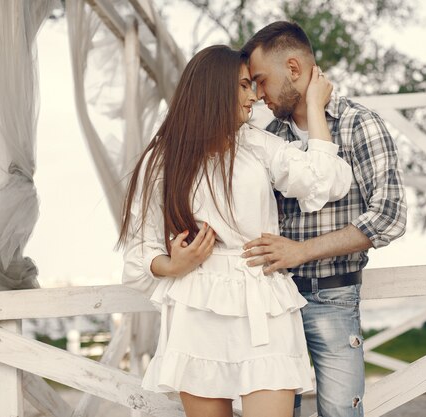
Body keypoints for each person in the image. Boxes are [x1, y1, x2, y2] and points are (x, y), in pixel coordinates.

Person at [118, 45, 353, 417]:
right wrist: (174, 265)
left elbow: (326, 180)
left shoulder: (257, 144)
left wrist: (314, 108)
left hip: (263, 298)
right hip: (197, 304)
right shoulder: (162, 159)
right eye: (245, 85)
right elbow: (138, 251)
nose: (255, 95)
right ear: (214, 89)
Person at [241, 22, 407, 417]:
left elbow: (389, 217)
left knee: (341, 413)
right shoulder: (269, 137)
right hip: (275, 300)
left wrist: (301, 252)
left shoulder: (357, 124)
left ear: (293, 69)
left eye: (261, 81)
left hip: (334, 296)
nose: (257, 94)